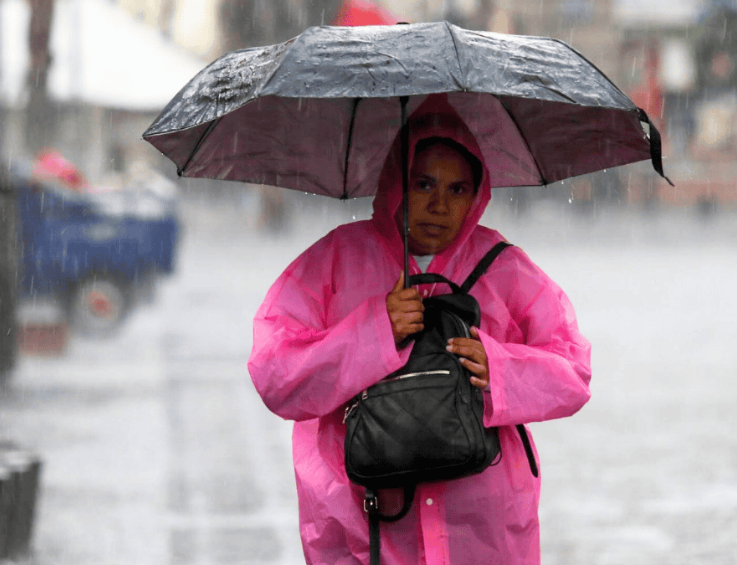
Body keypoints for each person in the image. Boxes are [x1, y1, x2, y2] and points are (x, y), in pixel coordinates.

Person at [248, 94, 592, 565]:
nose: (439, 205)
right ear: (396, 182)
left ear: (478, 194)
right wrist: (372, 332)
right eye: (423, 182)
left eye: (458, 189)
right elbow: (276, 375)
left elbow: (573, 372)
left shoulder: (504, 269)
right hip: (365, 526)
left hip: (482, 528)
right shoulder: (335, 261)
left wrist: (501, 368)